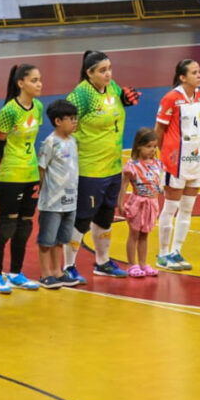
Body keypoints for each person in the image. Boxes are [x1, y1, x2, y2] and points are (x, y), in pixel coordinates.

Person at [64, 51, 141, 280]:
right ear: (89, 73)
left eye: (109, 68)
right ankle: (68, 266)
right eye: (102, 70)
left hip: (112, 165)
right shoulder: (81, 95)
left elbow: (117, 105)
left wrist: (125, 100)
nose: (108, 74)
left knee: (106, 216)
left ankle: (103, 262)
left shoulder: (112, 87)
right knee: (82, 218)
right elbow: (65, 123)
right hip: (90, 168)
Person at [0, 64, 44, 291]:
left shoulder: (38, 107)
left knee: (24, 225)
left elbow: (31, 141)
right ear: (20, 83)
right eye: (33, 80)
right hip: (10, 174)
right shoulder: (9, 111)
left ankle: (16, 272)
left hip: (30, 172)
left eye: (39, 79)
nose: (39, 84)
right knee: (7, 224)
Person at [155, 59, 200, 271]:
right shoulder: (171, 99)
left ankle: (176, 251)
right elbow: (158, 130)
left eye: (199, 71)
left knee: (187, 208)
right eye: (194, 72)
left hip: (195, 158)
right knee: (171, 207)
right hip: (175, 161)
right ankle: (163, 253)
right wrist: (162, 157)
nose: (199, 75)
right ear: (182, 77)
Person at [37, 100, 80, 289]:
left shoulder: (73, 141)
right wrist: (41, 192)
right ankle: (45, 274)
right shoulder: (50, 143)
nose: (74, 122)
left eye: (75, 118)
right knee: (47, 240)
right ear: (57, 121)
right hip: (52, 201)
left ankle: (57, 271)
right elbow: (41, 169)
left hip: (70, 200)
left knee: (60, 240)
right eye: (70, 119)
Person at [119, 128, 163, 277]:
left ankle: (143, 263)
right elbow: (124, 186)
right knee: (134, 234)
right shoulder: (132, 166)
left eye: (154, 147)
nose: (152, 150)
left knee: (145, 234)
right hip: (138, 203)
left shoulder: (157, 163)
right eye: (148, 146)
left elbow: (159, 182)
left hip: (152, 203)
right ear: (139, 146)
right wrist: (120, 204)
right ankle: (131, 264)